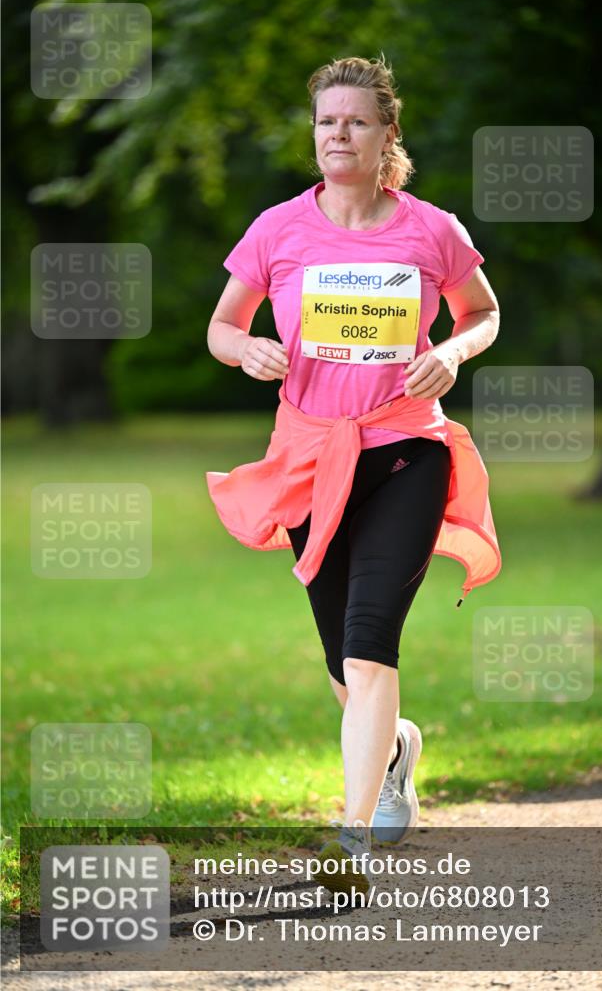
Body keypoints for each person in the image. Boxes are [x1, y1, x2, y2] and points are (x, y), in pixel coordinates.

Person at [205, 55, 501, 893]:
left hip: (407, 450)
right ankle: (398, 749)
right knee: (344, 668)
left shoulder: (431, 229)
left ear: (386, 136)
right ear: (315, 135)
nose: (338, 133)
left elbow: (482, 312)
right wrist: (245, 348)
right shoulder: (276, 230)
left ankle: (352, 848)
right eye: (326, 121)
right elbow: (221, 329)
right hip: (311, 459)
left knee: (370, 647)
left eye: (356, 121)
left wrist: (448, 349)